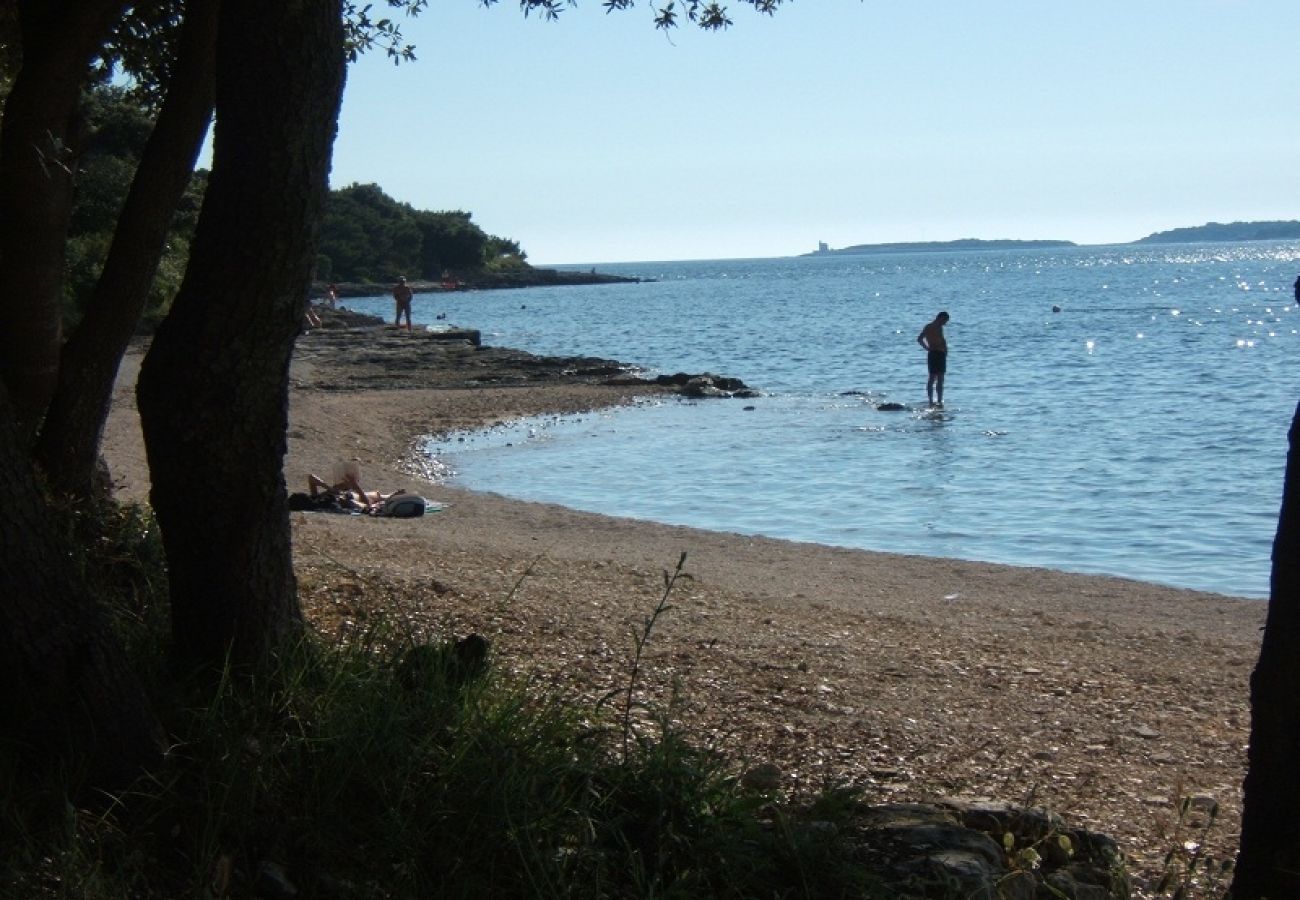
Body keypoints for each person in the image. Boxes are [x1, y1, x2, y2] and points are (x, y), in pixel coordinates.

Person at [916, 310, 951, 407]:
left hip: (938, 353)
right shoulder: (932, 327)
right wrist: (927, 348)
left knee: (938, 378)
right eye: (945, 321)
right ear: (940, 318)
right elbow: (920, 339)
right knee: (934, 378)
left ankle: (937, 400)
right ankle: (933, 400)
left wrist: (945, 351)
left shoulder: (933, 327)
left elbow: (941, 340)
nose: (945, 323)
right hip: (936, 353)